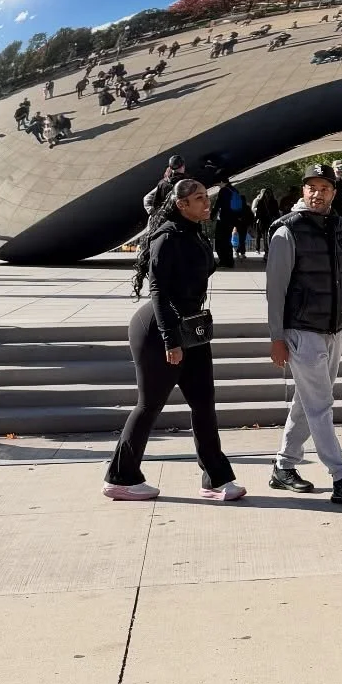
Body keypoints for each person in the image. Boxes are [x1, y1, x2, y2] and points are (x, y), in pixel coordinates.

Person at [104, 179, 246, 501]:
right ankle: (121, 477)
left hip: (191, 328)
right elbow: (158, 292)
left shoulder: (193, 231)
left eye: (205, 197)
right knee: (150, 404)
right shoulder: (167, 237)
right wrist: (170, 341)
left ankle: (216, 479)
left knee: (204, 404)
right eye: (199, 199)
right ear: (181, 204)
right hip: (158, 330)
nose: (206, 203)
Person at [265, 163, 342, 502]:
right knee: (320, 404)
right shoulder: (287, 231)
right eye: (311, 187)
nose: (317, 193)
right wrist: (277, 337)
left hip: (333, 327)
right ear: (303, 191)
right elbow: (275, 290)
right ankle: (341, 475)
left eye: (324, 188)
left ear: (334, 192)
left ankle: (284, 466)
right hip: (301, 331)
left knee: (307, 401)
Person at [208, 178, 243, 269]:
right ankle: (229, 261)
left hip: (223, 219)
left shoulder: (223, 191)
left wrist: (211, 216)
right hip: (232, 219)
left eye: (219, 183)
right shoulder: (234, 190)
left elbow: (217, 205)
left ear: (222, 182)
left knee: (220, 240)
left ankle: (224, 261)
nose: (218, 185)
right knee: (227, 240)